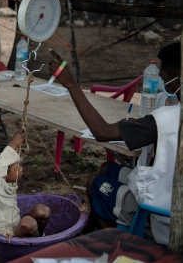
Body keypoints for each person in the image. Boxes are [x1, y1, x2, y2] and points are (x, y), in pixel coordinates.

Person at [47, 46, 180, 246]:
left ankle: (113, 246)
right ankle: (90, 231)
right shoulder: (169, 112)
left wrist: (71, 84)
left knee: (95, 183)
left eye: (164, 69)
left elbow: (102, 132)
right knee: (106, 168)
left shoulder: (167, 118)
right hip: (168, 191)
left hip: (159, 216)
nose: (160, 74)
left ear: (179, 76)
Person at [0, 129, 51, 237]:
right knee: (28, 223)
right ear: (3, 173)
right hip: (5, 231)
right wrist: (12, 144)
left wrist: (14, 151)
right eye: (17, 167)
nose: (21, 169)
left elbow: (3, 161)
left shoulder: (3, 178)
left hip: (15, 222)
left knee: (42, 210)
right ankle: (38, 243)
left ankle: (40, 235)